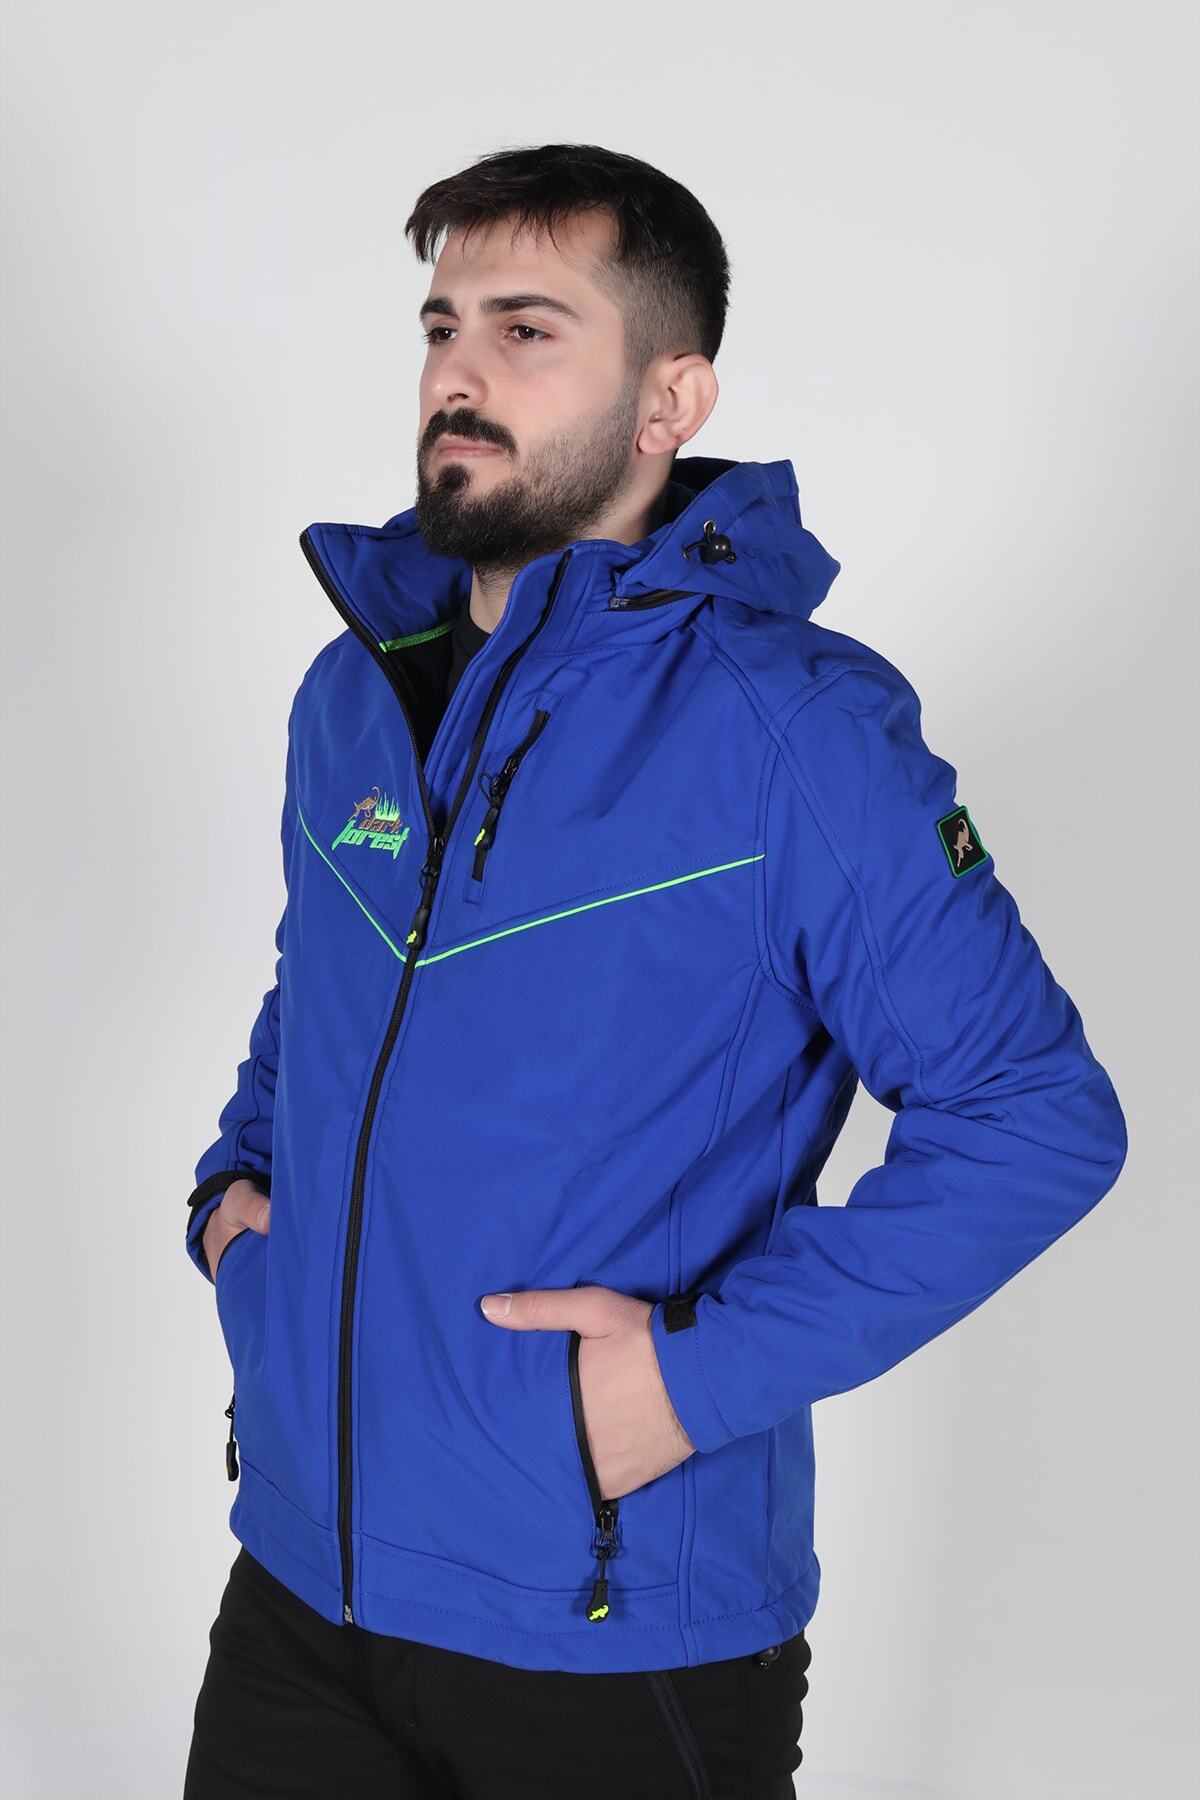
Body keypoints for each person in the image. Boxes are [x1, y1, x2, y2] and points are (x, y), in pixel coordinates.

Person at [181, 142, 1127, 1799]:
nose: (460, 373)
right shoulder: (354, 693)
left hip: (609, 1629)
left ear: (669, 399)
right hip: (304, 1589)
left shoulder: (795, 730)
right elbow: (322, 990)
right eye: (443, 325)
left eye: (529, 331)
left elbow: (1035, 1117)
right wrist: (235, 1207)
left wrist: (684, 1386)